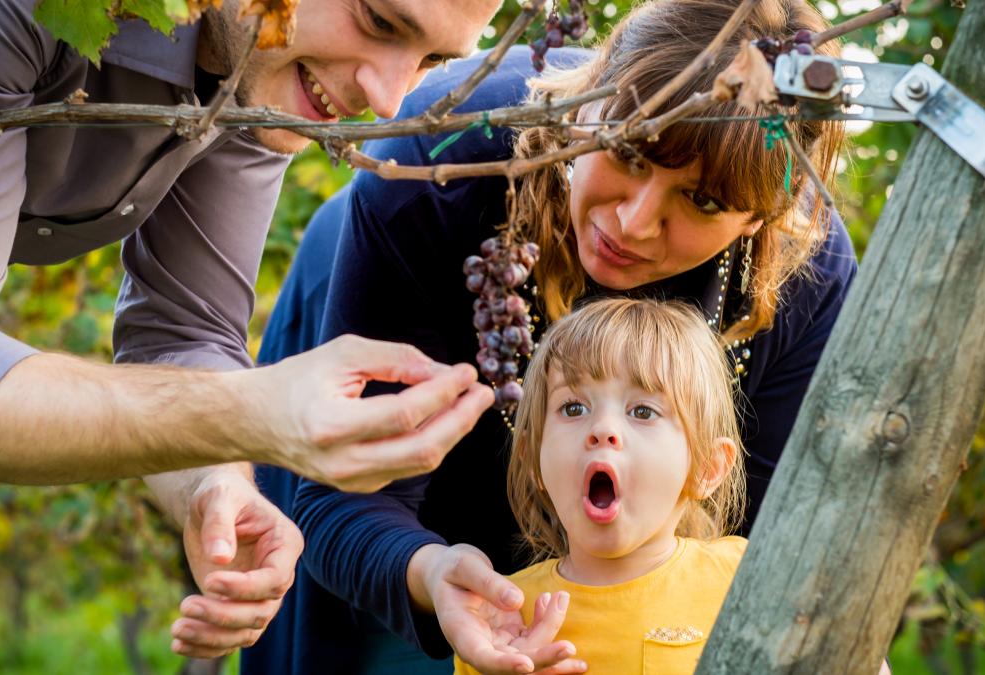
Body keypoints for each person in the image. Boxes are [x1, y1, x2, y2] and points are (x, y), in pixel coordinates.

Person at [0, 0, 502, 669]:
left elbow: (183, 328)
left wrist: (215, 481)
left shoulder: (260, 64)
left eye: (432, 61)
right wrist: (249, 412)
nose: (387, 101)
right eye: (380, 23)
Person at [251, 0, 856, 673]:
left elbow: (777, 550)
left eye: (703, 202)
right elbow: (346, 497)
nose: (633, 219)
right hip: (370, 290)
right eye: (627, 151)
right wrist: (432, 572)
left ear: (754, 222)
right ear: (588, 104)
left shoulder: (806, 274)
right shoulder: (443, 160)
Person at [453, 296, 747, 674]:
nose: (603, 429)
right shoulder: (500, 617)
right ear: (533, 460)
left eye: (643, 411)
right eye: (573, 408)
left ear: (707, 466)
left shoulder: (742, 578)